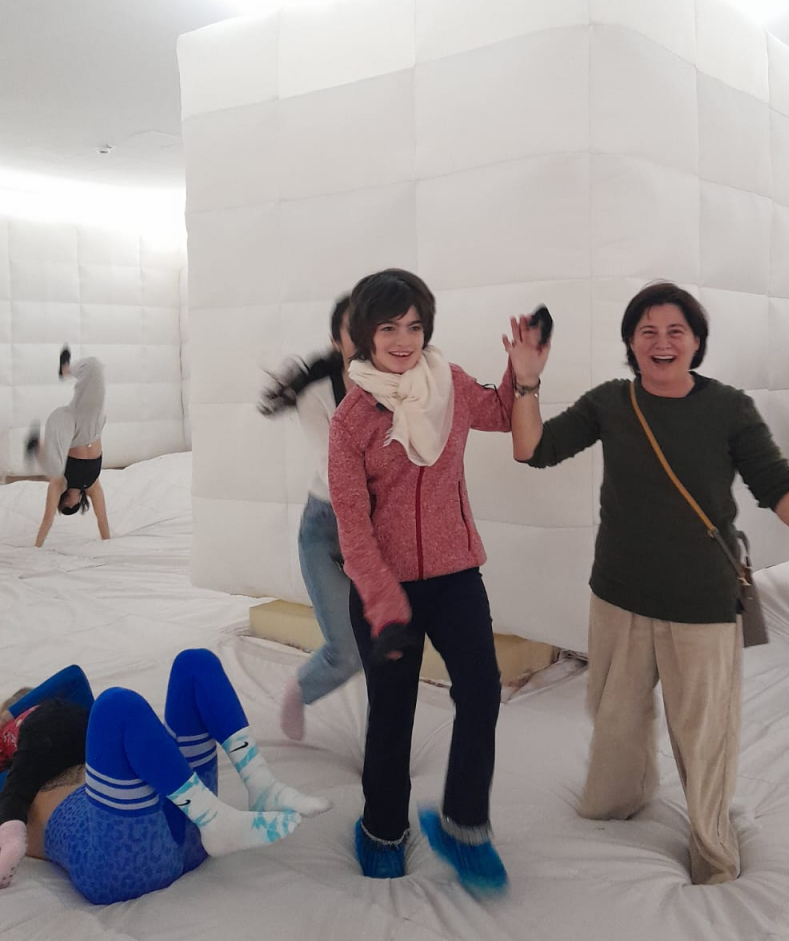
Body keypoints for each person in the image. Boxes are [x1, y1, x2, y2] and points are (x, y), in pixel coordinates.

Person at [505, 281, 789, 885]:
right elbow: (533, 449)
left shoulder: (728, 408)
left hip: (701, 601)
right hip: (618, 594)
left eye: (676, 331)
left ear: (697, 342)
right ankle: (613, 809)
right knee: (615, 719)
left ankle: (713, 850)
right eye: (647, 331)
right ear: (630, 343)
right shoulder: (611, 402)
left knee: (704, 734)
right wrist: (526, 382)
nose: (661, 342)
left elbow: (777, 484)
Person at [327, 269, 519, 892]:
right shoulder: (351, 419)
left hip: (457, 574)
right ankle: (382, 829)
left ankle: (464, 824)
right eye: (388, 328)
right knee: (393, 713)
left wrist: (523, 373)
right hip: (385, 590)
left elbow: (502, 412)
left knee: (482, 692)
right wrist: (384, 603)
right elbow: (352, 526)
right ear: (366, 334)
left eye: (414, 326)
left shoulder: (450, 384)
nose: (403, 340)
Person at [0, 649, 330, 902]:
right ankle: (216, 819)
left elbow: (71, 679)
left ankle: (261, 786)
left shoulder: (83, 741)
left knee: (194, 664)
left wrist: (9, 713)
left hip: (187, 834)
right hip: (116, 862)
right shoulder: (10, 786)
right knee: (117, 705)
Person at [258, 295, 362, 740]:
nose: (367, 339)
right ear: (336, 341)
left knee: (388, 646)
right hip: (326, 530)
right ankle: (300, 688)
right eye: (354, 331)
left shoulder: (399, 385)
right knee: (347, 651)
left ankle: (383, 748)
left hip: (378, 528)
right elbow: (335, 472)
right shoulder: (318, 394)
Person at [27, 348, 110, 548]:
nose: (70, 506)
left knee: (55, 469)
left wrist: (36, 547)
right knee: (94, 367)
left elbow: (47, 520)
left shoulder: (59, 484)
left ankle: (66, 369)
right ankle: (37, 446)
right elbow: (102, 520)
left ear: (63, 503)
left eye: (66, 509)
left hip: (79, 427)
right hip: (84, 428)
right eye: (72, 509)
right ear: (78, 502)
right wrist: (109, 545)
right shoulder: (92, 486)